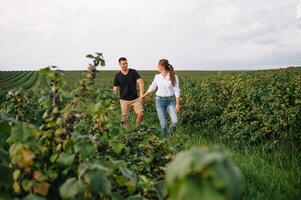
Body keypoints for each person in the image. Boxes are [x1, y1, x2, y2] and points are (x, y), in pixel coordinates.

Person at [142, 59, 180, 139]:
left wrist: (177, 104)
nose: (157, 67)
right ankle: (164, 141)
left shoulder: (173, 76)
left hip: (170, 101)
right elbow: (153, 87)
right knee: (163, 125)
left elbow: (176, 90)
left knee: (175, 121)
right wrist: (144, 95)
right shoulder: (157, 77)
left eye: (158, 65)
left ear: (162, 66)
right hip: (159, 101)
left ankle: (170, 133)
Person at [113, 57, 144, 129]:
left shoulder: (133, 72)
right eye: (123, 64)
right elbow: (115, 88)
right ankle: (128, 133)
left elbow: (140, 82)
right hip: (124, 100)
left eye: (126, 63)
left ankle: (137, 129)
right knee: (124, 119)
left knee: (141, 114)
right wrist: (114, 98)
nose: (125, 65)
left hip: (135, 99)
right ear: (119, 64)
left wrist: (141, 95)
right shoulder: (117, 75)